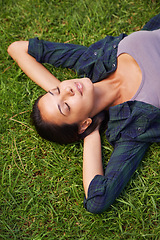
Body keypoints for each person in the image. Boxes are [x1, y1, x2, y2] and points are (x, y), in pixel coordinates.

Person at [7, 14, 160, 214]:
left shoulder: (93, 60)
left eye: (56, 90)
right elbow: (97, 199)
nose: (67, 90)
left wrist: (62, 95)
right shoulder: (133, 124)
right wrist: (91, 134)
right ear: (83, 124)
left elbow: (17, 49)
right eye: (66, 107)